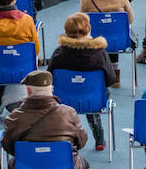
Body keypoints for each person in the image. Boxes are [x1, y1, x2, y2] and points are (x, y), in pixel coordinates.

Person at [2, 69, 89, 169]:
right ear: (51, 90)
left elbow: (7, 146)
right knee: (80, 163)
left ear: (28, 90)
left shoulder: (15, 116)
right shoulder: (68, 113)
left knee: (15, 163)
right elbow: (82, 141)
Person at [47, 13, 120, 151]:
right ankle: (99, 140)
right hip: (93, 100)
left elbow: (50, 77)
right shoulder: (100, 53)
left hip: (64, 99)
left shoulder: (58, 53)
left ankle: (66, 138)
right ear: (87, 30)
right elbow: (110, 79)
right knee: (95, 93)